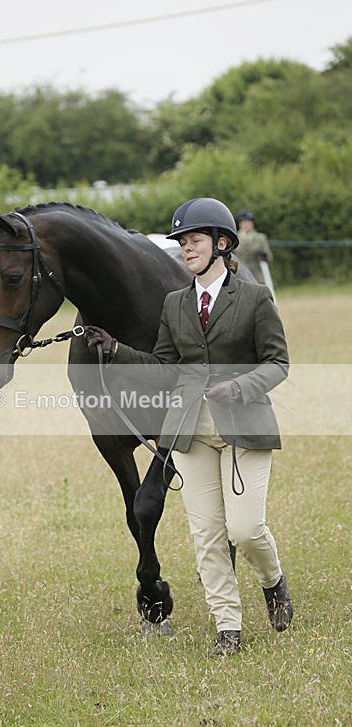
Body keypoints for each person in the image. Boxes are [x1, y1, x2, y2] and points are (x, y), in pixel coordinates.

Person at [85, 197, 293, 656]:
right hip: (189, 430)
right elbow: (164, 367)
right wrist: (117, 349)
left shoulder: (255, 298)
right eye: (181, 242)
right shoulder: (176, 304)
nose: (185, 248)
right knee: (207, 536)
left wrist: (240, 387)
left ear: (222, 244)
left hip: (244, 425)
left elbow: (278, 362)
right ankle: (228, 629)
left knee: (244, 529)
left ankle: (273, 580)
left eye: (194, 240)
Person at [235, 208, 274, 286]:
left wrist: (264, 255)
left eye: (248, 222)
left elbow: (269, 258)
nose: (246, 224)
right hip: (239, 277)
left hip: (257, 277)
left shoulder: (261, 237)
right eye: (243, 222)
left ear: (253, 223)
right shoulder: (235, 238)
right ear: (240, 224)